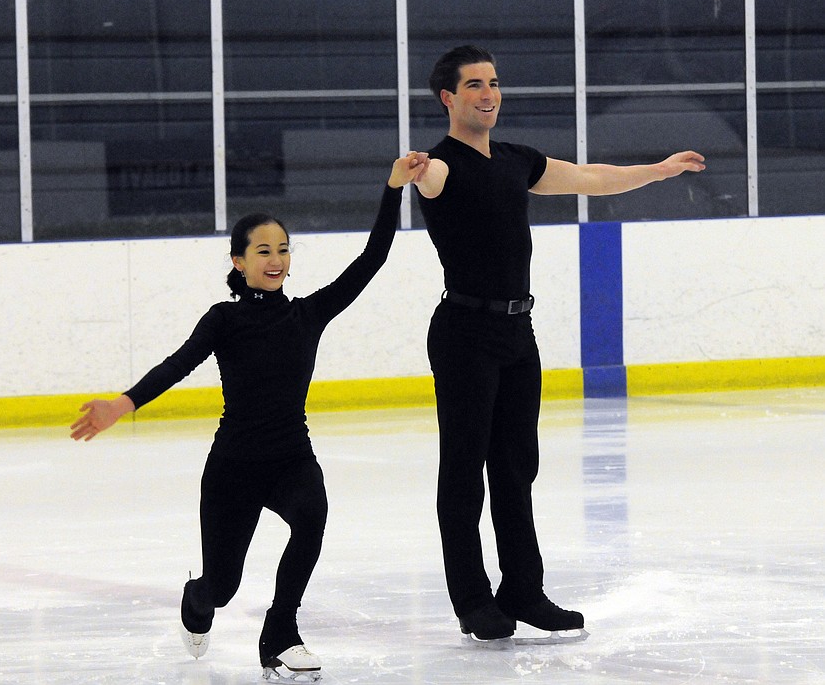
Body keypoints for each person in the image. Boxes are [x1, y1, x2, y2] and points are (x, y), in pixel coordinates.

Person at [70, 152, 430, 681]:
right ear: (238, 261)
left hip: (291, 455)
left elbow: (371, 259)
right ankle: (198, 598)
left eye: (283, 250)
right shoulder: (225, 320)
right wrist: (121, 406)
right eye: (263, 251)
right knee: (222, 586)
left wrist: (393, 188)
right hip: (234, 466)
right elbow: (178, 364)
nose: (276, 259)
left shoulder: (309, 313)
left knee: (312, 517)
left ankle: (280, 633)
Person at [413, 44, 706, 644]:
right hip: (464, 334)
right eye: (474, 86)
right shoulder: (440, 165)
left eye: (494, 83)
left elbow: (591, 178)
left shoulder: (516, 160)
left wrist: (659, 169)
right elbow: (429, 179)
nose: (488, 94)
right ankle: (471, 599)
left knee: (518, 467)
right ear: (448, 98)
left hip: (518, 333)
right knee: (465, 472)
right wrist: (412, 171)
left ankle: (522, 589)